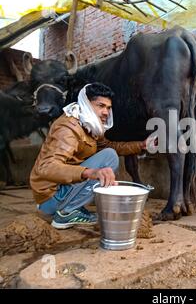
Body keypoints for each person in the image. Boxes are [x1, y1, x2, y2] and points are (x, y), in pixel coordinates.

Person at [30, 82, 152, 230]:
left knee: (109, 153)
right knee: (109, 157)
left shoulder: (88, 125)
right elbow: (47, 167)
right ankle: (66, 213)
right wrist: (90, 172)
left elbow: (108, 146)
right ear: (86, 104)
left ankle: (71, 207)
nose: (106, 112)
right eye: (100, 106)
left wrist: (141, 145)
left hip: (61, 192)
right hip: (51, 197)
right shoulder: (68, 128)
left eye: (108, 107)